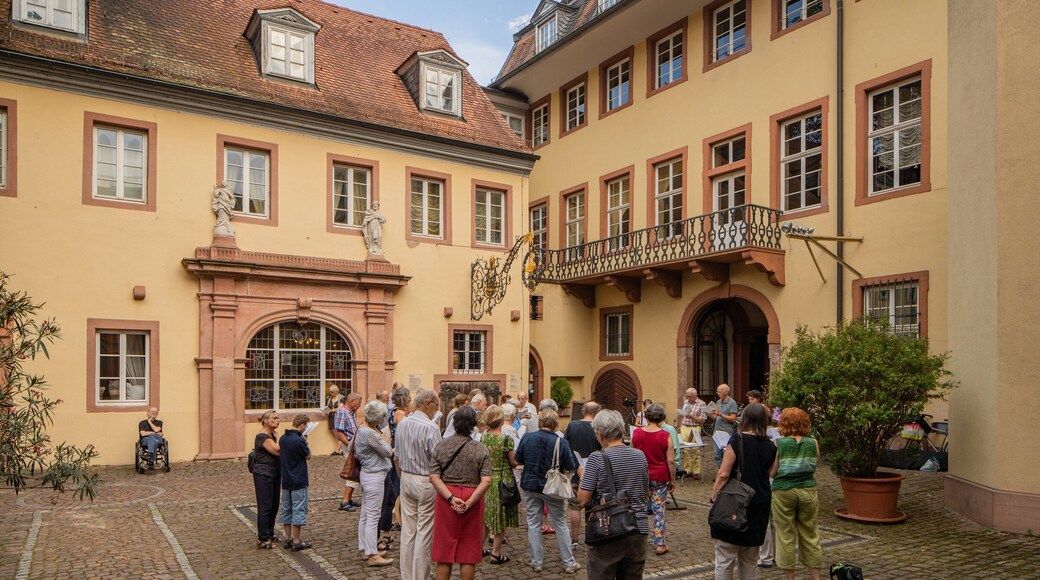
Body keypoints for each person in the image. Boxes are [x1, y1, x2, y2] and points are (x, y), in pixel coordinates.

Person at [577, 409, 649, 579]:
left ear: (600, 435)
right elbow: (645, 493)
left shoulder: (597, 458)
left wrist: (582, 476)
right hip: (638, 527)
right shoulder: (639, 455)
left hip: (607, 529)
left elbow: (582, 499)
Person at [710, 403, 777, 580]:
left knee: (725, 558)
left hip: (734, 501)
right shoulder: (771, 446)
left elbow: (723, 474)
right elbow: (772, 472)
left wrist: (714, 498)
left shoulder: (737, 439)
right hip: (759, 502)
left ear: (745, 419)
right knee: (749, 561)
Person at [515, 409, 581, 574]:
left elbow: (518, 459)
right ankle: (568, 562)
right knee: (560, 523)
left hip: (531, 485)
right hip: (552, 487)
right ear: (555, 423)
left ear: (540, 422)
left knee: (533, 523)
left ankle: (537, 562)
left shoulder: (527, 438)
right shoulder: (561, 442)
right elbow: (570, 466)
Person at [430, 406, 492, 580]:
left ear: (454, 423)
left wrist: (451, 498)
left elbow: (434, 476)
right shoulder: (481, 449)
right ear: (473, 425)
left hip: (446, 496)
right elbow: (486, 480)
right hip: (473, 496)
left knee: (444, 551)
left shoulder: (441, 446)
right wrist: (470, 502)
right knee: (468, 552)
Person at [770, 408, 822, 580]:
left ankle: (790, 577)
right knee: (810, 533)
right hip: (807, 488)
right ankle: (815, 577)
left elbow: (773, 472)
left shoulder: (779, 444)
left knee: (785, 534)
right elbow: (814, 465)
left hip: (783, 490)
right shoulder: (812, 442)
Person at [395, 388, 441, 580]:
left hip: (406, 476)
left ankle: (407, 575)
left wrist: (402, 477)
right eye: (436, 405)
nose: (437, 409)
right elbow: (438, 459)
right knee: (424, 531)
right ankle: (419, 576)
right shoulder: (431, 428)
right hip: (424, 479)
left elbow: (397, 456)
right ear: (428, 404)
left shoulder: (403, 423)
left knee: (408, 530)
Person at [631, 403, 676, 556]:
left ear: (647, 417)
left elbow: (633, 454)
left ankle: (636, 540)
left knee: (638, 508)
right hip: (660, 477)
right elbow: (671, 461)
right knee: (659, 510)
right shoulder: (665, 435)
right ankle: (660, 543)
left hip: (641, 475)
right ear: (662, 418)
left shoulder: (637, 433)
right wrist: (673, 480)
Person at [355, 399, 395, 567]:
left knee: (366, 515)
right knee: (373, 516)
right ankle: (372, 554)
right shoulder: (370, 433)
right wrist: (384, 439)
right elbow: (387, 451)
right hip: (374, 475)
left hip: (368, 474)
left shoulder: (361, 429)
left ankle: (365, 548)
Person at [480, 405, 519, 564]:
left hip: (487, 479)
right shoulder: (506, 440)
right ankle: (496, 553)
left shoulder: (483, 438)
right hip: (502, 479)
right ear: (501, 420)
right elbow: (513, 462)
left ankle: (478, 547)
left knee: (486, 516)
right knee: (500, 517)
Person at [564, 401, 601, 538]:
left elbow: (565, 446)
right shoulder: (599, 427)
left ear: (583, 411)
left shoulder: (572, 425)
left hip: (576, 470)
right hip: (594, 471)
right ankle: (591, 536)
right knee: (593, 506)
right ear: (597, 412)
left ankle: (574, 539)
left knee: (575, 506)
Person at [378, 387, 410, 549]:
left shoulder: (392, 412)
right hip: (398, 453)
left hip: (393, 451)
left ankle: (388, 529)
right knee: (396, 490)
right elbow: (401, 437)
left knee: (392, 490)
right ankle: (395, 520)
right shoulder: (401, 415)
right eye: (409, 398)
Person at [278, 414, 312, 551]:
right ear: (302, 425)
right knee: (298, 509)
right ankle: (296, 541)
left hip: (286, 479)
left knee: (287, 509)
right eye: (306, 426)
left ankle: (287, 539)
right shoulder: (299, 440)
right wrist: (306, 442)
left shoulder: (282, 438)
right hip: (298, 479)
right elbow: (308, 456)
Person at [251, 411, 281, 549]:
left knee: (274, 504)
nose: (277, 420)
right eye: (274, 418)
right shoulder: (262, 436)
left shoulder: (272, 435)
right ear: (266, 421)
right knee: (265, 505)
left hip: (274, 472)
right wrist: (279, 437)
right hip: (263, 474)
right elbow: (277, 450)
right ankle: (263, 538)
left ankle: (270, 532)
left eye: (278, 418)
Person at [335, 393, 363, 511]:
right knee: (352, 472)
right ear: (352, 402)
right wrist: (350, 446)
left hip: (353, 445)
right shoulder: (342, 412)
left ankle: (349, 498)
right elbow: (339, 433)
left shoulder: (350, 413)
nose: (359, 405)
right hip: (350, 447)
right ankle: (345, 500)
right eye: (359, 403)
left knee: (354, 472)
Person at [679, 388, 707, 479]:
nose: (688, 398)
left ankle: (696, 471)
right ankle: (687, 470)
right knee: (685, 450)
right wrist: (681, 424)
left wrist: (691, 416)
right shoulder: (686, 402)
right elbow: (683, 415)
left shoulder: (701, 403)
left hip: (695, 427)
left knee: (696, 449)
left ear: (695, 395)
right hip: (685, 427)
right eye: (687, 396)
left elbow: (702, 420)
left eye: (690, 396)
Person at [710, 384, 740, 466]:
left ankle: (727, 471)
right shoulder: (718, 402)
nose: (718, 393)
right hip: (717, 431)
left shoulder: (732, 403)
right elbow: (716, 418)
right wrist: (709, 414)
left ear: (726, 392)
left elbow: (733, 418)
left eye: (719, 392)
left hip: (726, 431)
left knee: (727, 455)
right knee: (717, 455)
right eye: (717, 392)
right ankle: (721, 471)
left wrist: (720, 414)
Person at [325, 384, 346, 454]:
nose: (331, 393)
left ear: (336, 392)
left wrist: (331, 411)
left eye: (332, 392)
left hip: (339, 417)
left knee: (339, 433)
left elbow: (340, 407)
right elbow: (327, 407)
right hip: (331, 417)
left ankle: (338, 450)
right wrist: (326, 411)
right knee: (335, 433)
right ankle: (341, 450)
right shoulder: (329, 398)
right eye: (330, 392)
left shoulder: (342, 398)